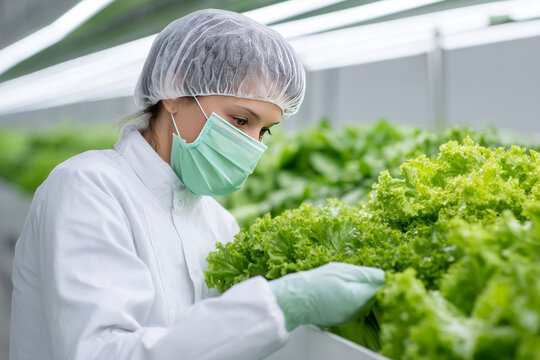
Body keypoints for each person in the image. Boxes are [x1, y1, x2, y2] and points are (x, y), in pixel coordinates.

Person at [9, 9, 385, 360]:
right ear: (174, 90)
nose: (252, 144)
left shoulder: (220, 224)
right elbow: (101, 351)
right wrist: (280, 305)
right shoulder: (88, 189)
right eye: (240, 120)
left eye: (264, 130)